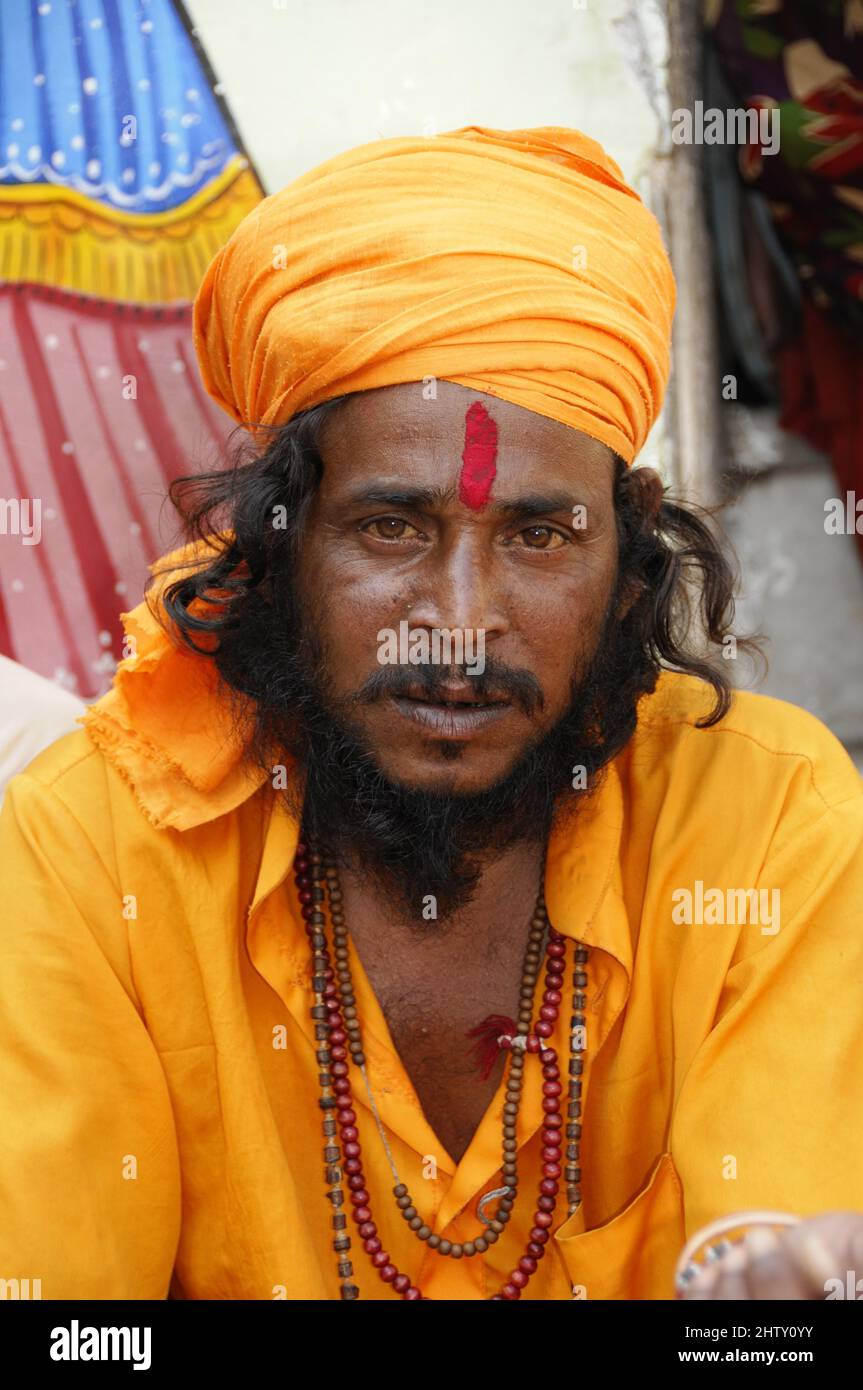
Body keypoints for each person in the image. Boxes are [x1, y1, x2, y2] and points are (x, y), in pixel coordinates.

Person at [0, 126, 861, 1302]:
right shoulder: (89, 852)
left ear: (625, 566)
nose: (457, 624)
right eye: (390, 527)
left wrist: (768, 1298)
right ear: (279, 547)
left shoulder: (770, 824)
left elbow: (777, 1260)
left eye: (537, 535)